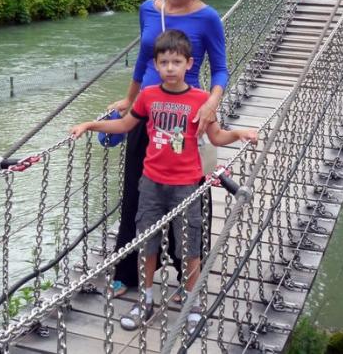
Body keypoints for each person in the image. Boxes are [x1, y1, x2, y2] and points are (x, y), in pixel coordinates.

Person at [70, 30, 257, 333]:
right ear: (155, 65)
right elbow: (125, 124)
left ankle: (192, 304)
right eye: (164, 62)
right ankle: (145, 300)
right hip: (151, 185)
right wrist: (90, 124)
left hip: (187, 186)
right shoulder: (148, 96)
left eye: (177, 62)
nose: (170, 68)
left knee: (190, 245)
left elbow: (217, 137)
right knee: (147, 243)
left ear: (189, 64)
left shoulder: (201, 100)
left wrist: (240, 133)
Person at [107, 0, 229, 298]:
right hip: (146, 112)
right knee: (137, 192)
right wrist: (129, 99)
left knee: (187, 198)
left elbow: (220, 69)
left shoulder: (207, 17)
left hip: (186, 118)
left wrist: (211, 104)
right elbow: (144, 60)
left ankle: (186, 277)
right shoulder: (148, 9)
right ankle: (128, 271)